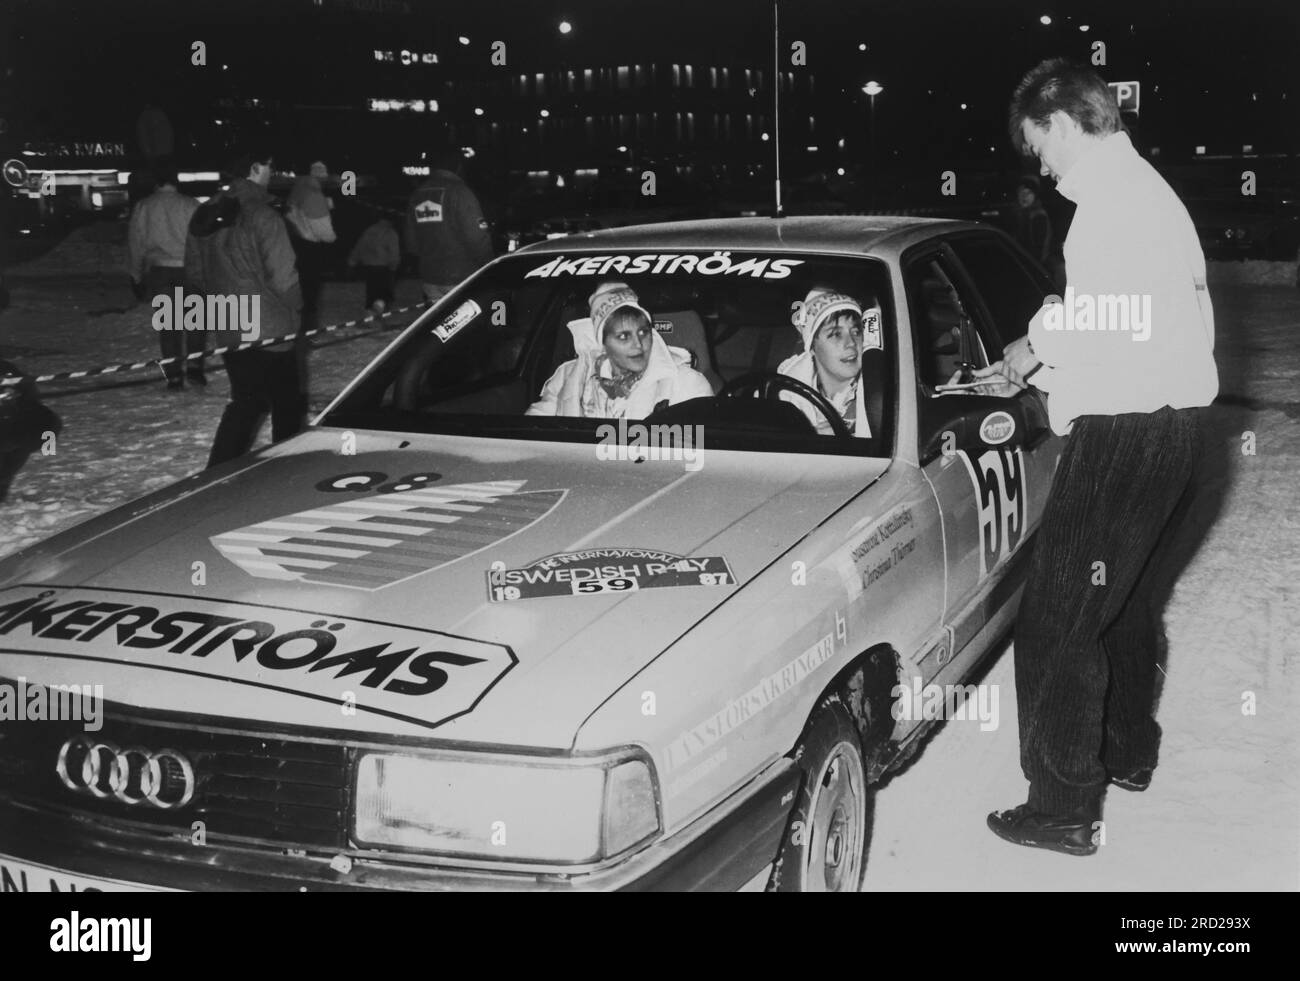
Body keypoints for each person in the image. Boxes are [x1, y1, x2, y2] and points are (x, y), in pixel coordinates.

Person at [977, 59, 1218, 856]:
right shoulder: (1151, 195)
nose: (1037, 163)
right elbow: (1135, 315)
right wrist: (1047, 346)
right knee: (1124, 599)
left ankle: (1062, 803)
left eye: (1036, 144)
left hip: (1123, 433)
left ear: (1061, 121)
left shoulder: (1111, 204)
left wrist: (1031, 342)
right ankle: (1127, 752)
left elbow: (1105, 317)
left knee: (1054, 619)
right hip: (1175, 427)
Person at [185, 146, 306, 468]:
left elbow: (195, 273)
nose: (272, 174)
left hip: (228, 319)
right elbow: (284, 275)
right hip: (270, 324)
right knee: (287, 400)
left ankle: (217, 472)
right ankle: (287, 468)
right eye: (269, 167)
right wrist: (295, 314)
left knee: (246, 400)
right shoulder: (263, 214)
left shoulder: (206, 213)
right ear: (255, 168)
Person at [526, 282, 713, 417]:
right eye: (623, 336)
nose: (638, 344)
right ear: (603, 343)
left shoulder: (687, 384)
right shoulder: (568, 377)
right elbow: (530, 432)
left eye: (643, 332)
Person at [127, 164, 203, 389]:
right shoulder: (191, 205)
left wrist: (135, 273)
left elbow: (136, 242)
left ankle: (173, 375)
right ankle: (195, 369)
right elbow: (201, 239)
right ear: (176, 181)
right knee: (195, 322)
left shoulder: (144, 207)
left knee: (169, 326)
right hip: (188, 270)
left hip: (160, 271)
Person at [776, 287, 878, 437]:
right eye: (835, 334)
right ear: (812, 347)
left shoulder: (877, 390)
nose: (850, 343)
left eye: (856, 332)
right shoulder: (783, 391)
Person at [404, 149, 494, 305]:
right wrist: (489, 264)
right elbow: (476, 238)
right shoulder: (460, 192)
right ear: (458, 167)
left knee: (439, 324)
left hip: (430, 278)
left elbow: (411, 242)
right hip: (461, 277)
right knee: (466, 325)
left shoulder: (418, 194)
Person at [285, 160, 337, 333]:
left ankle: (296, 328)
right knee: (310, 294)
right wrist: (332, 237)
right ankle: (307, 333)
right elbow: (324, 231)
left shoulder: (298, 188)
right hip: (310, 248)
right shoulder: (314, 195)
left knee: (298, 291)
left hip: (294, 244)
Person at [347, 216, 401, 314]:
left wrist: (352, 261)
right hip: (384, 268)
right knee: (384, 295)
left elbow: (360, 246)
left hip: (369, 267)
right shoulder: (390, 232)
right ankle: (378, 313)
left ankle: (370, 315)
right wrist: (394, 266)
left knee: (371, 293)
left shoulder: (369, 230)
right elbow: (394, 252)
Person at [1012, 176, 1053, 266]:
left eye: (1029, 192)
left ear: (1035, 196)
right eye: (1021, 192)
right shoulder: (1020, 214)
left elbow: (1038, 251)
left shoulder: (1038, 216)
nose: (1024, 196)